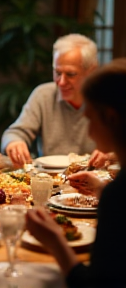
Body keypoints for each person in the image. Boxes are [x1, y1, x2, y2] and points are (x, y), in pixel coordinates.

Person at [25, 58, 126, 287]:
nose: (89, 132)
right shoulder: (116, 189)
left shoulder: (118, 195)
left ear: (110, 118)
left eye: (89, 118)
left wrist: (55, 242)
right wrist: (102, 189)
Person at [1, 33, 98, 167]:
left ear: (91, 71)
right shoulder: (43, 95)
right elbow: (15, 132)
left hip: (95, 179)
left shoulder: (107, 99)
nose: (61, 82)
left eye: (70, 74)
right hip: (50, 179)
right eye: (57, 73)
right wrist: (14, 143)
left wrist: (111, 154)